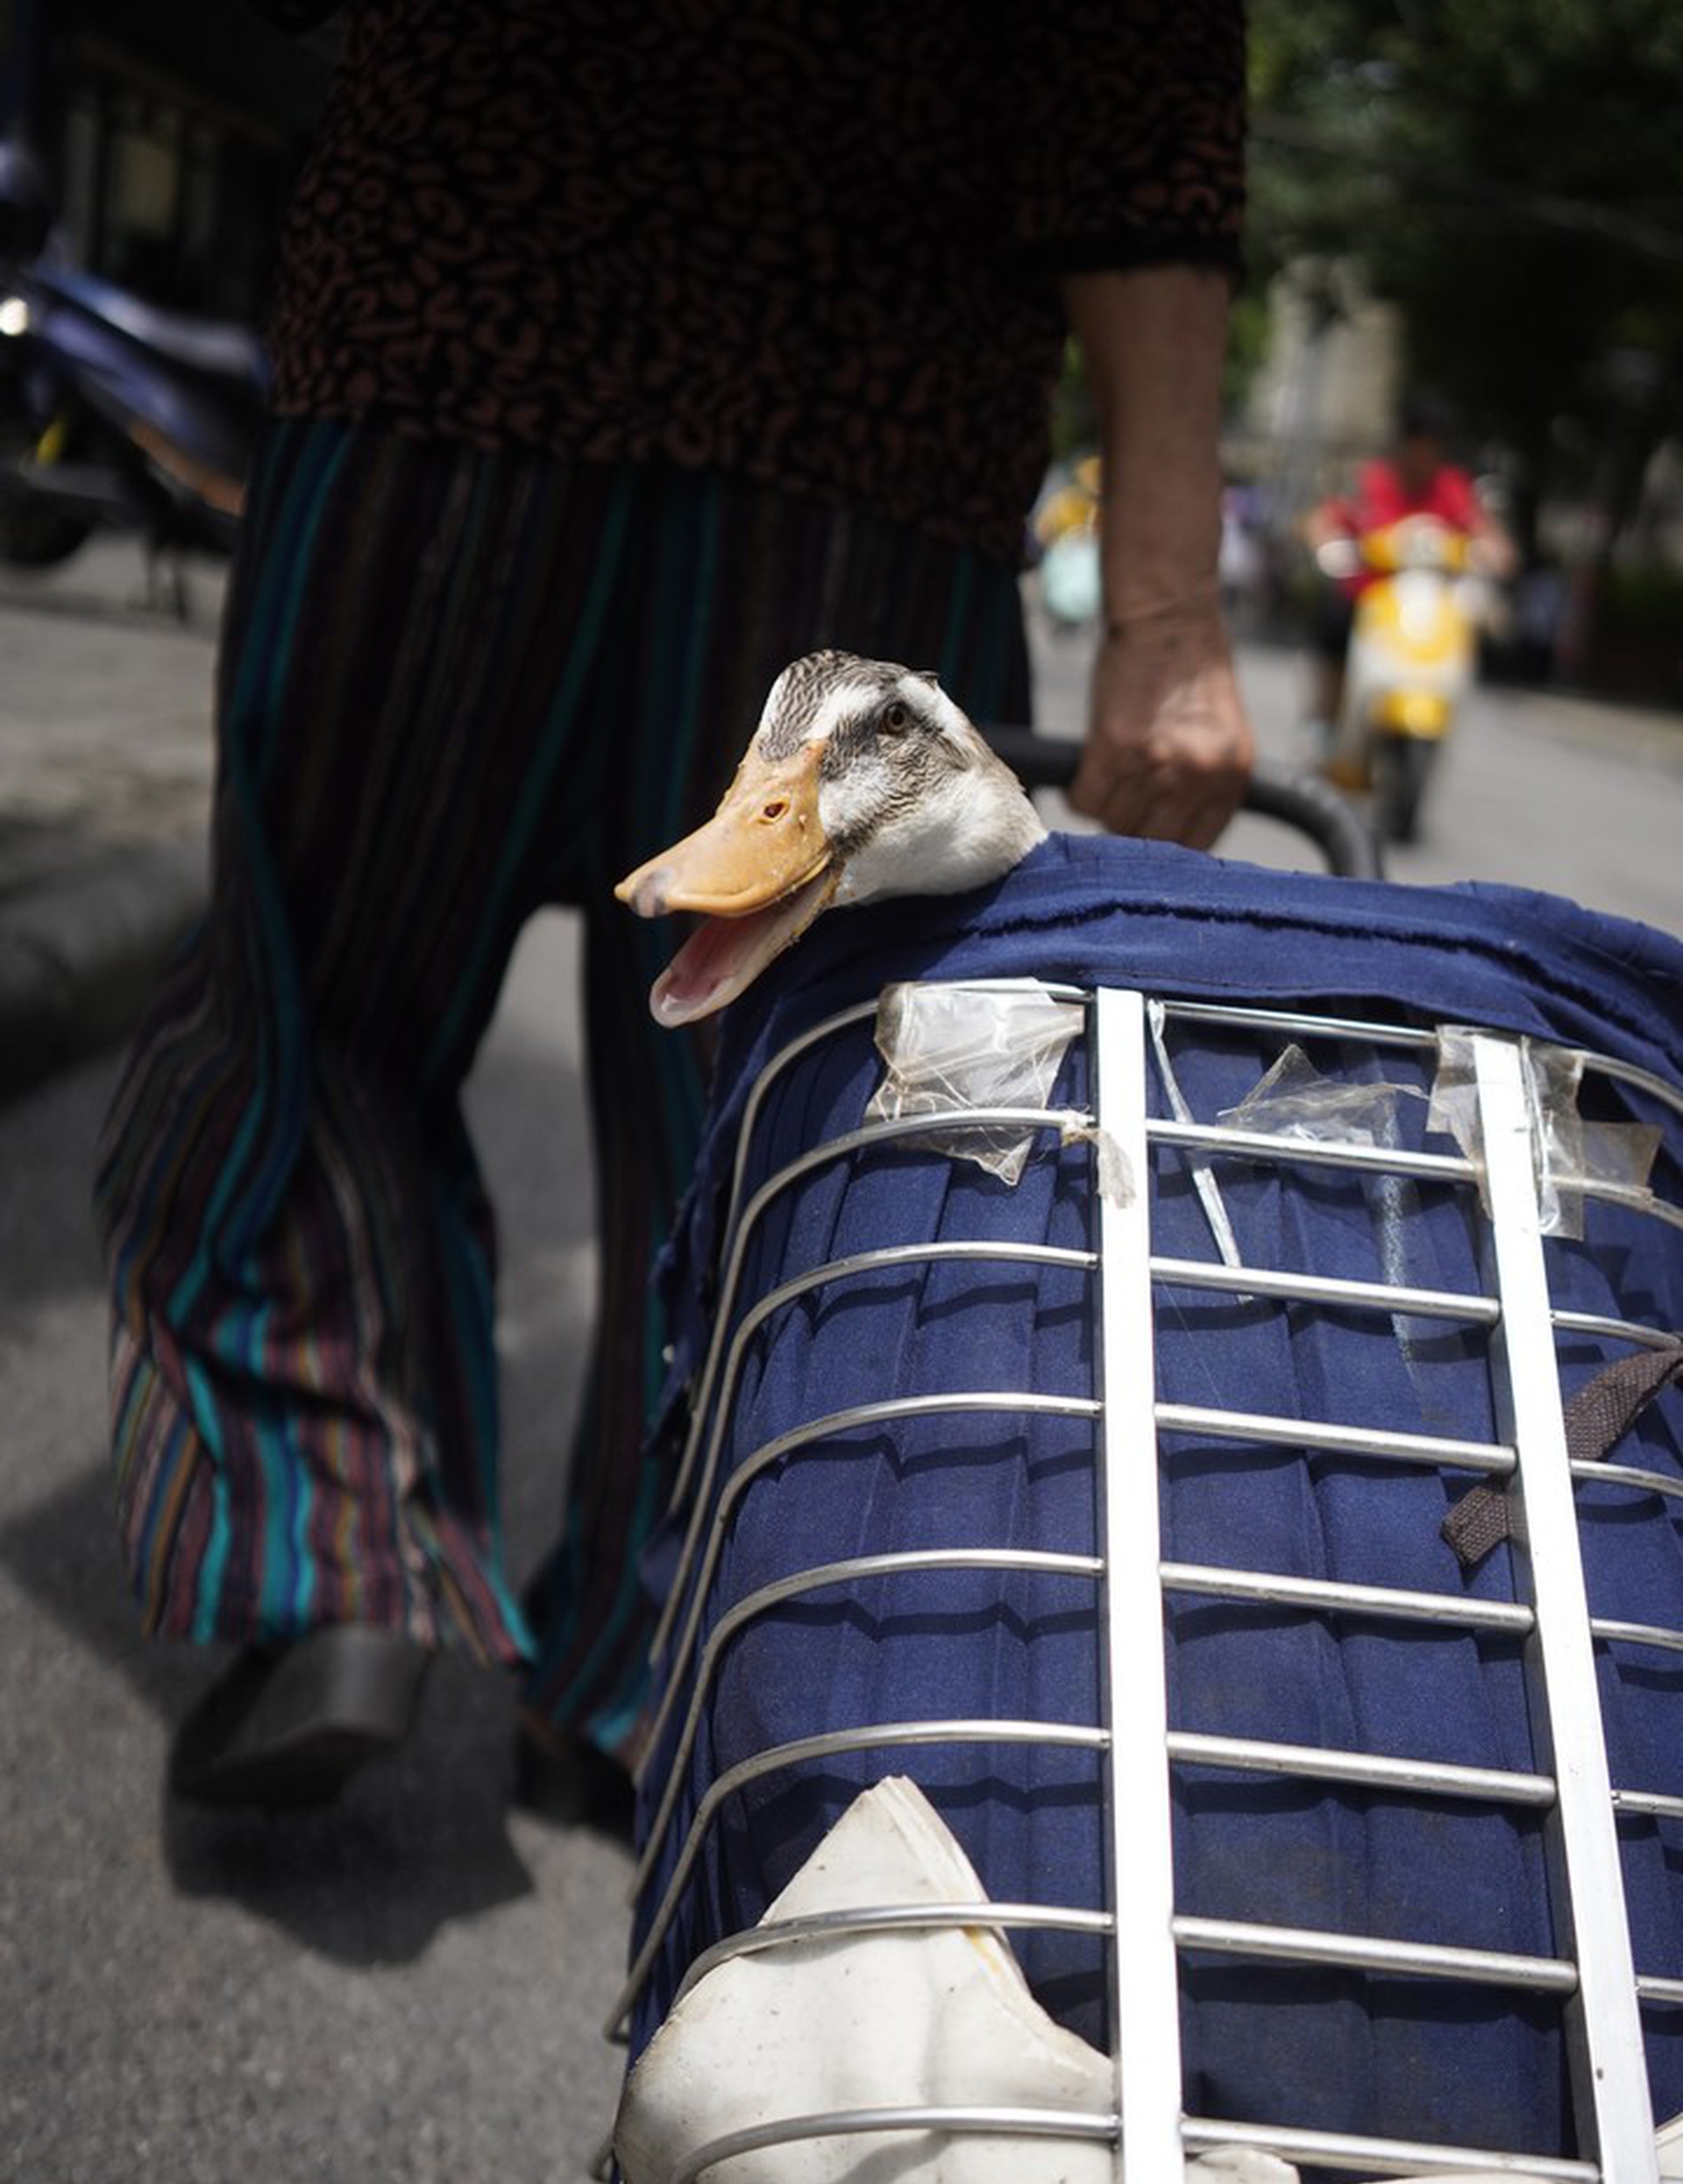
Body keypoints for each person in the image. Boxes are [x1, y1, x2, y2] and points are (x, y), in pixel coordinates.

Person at [95, 0, 1253, 1813]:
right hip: (860, 425)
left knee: (317, 1009)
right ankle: (666, 1663)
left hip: (452, 339)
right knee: (783, 1100)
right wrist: (1164, 613)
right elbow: (1138, 105)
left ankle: (335, 1549)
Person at [1302, 389, 1516, 742]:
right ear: (1403, 441)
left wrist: (1493, 555)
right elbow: (1324, 519)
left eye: (1435, 444)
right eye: (1420, 442)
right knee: (1334, 619)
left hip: (1432, 605)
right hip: (1370, 596)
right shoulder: (1372, 481)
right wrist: (1325, 545)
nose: (1425, 454)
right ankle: (1326, 719)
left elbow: (1491, 539)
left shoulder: (1453, 489)